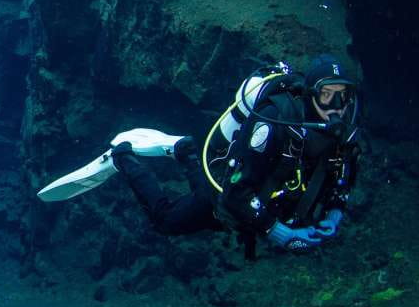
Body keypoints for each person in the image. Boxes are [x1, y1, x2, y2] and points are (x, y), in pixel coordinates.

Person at [41, 54, 361, 258]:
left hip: (251, 204)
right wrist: (281, 233)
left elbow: (340, 182)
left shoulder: (343, 135)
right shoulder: (274, 123)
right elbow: (236, 194)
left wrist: (333, 217)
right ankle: (121, 156)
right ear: (310, 93)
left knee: (206, 191)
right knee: (166, 220)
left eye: (342, 97)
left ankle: (184, 150)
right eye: (326, 95)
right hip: (231, 197)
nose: (335, 107)